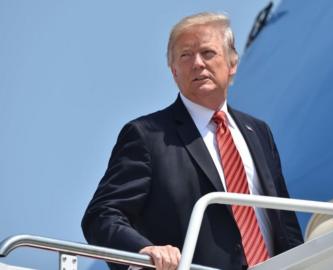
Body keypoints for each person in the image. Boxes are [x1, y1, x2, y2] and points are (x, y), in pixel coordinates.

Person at [81, 12, 303, 270]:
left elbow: (285, 224)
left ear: (232, 63)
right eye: (185, 55)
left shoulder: (259, 132)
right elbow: (102, 215)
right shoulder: (147, 135)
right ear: (174, 71)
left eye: (208, 53)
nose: (197, 63)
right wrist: (143, 251)